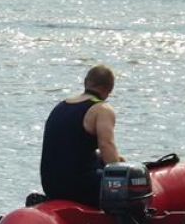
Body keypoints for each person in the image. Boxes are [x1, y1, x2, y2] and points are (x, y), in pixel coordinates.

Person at [40, 64, 124, 207]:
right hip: (79, 187)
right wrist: (122, 180)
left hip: (51, 186)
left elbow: (70, 147)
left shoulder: (61, 106)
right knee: (128, 179)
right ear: (110, 89)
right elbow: (106, 145)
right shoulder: (102, 109)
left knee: (103, 160)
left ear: (85, 82)